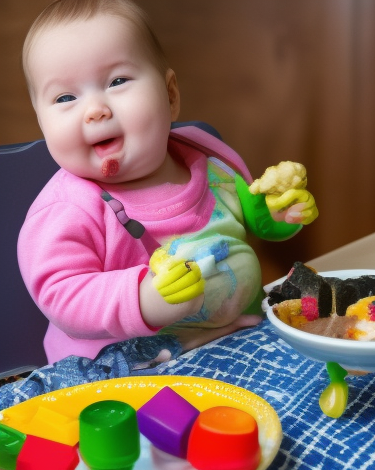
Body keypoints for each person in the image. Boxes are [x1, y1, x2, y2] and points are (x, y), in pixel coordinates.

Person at [19, 0, 318, 365]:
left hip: (242, 340)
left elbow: (253, 222)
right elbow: (60, 295)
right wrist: (141, 299)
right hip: (125, 374)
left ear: (170, 95)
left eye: (117, 81)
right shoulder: (67, 210)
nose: (95, 109)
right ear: (42, 121)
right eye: (66, 97)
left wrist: (279, 215)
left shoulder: (210, 163)